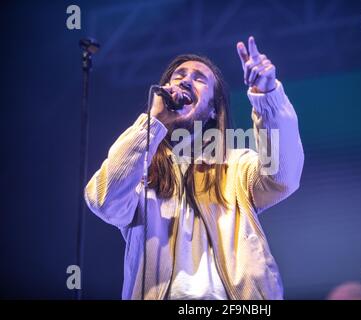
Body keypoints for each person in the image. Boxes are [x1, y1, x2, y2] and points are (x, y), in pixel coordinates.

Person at [84, 36, 304, 300]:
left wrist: (267, 95)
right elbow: (103, 200)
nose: (186, 80)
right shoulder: (142, 170)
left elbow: (284, 176)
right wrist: (153, 123)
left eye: (199, 78)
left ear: (213, 108)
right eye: (178, 76)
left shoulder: (235, 166)